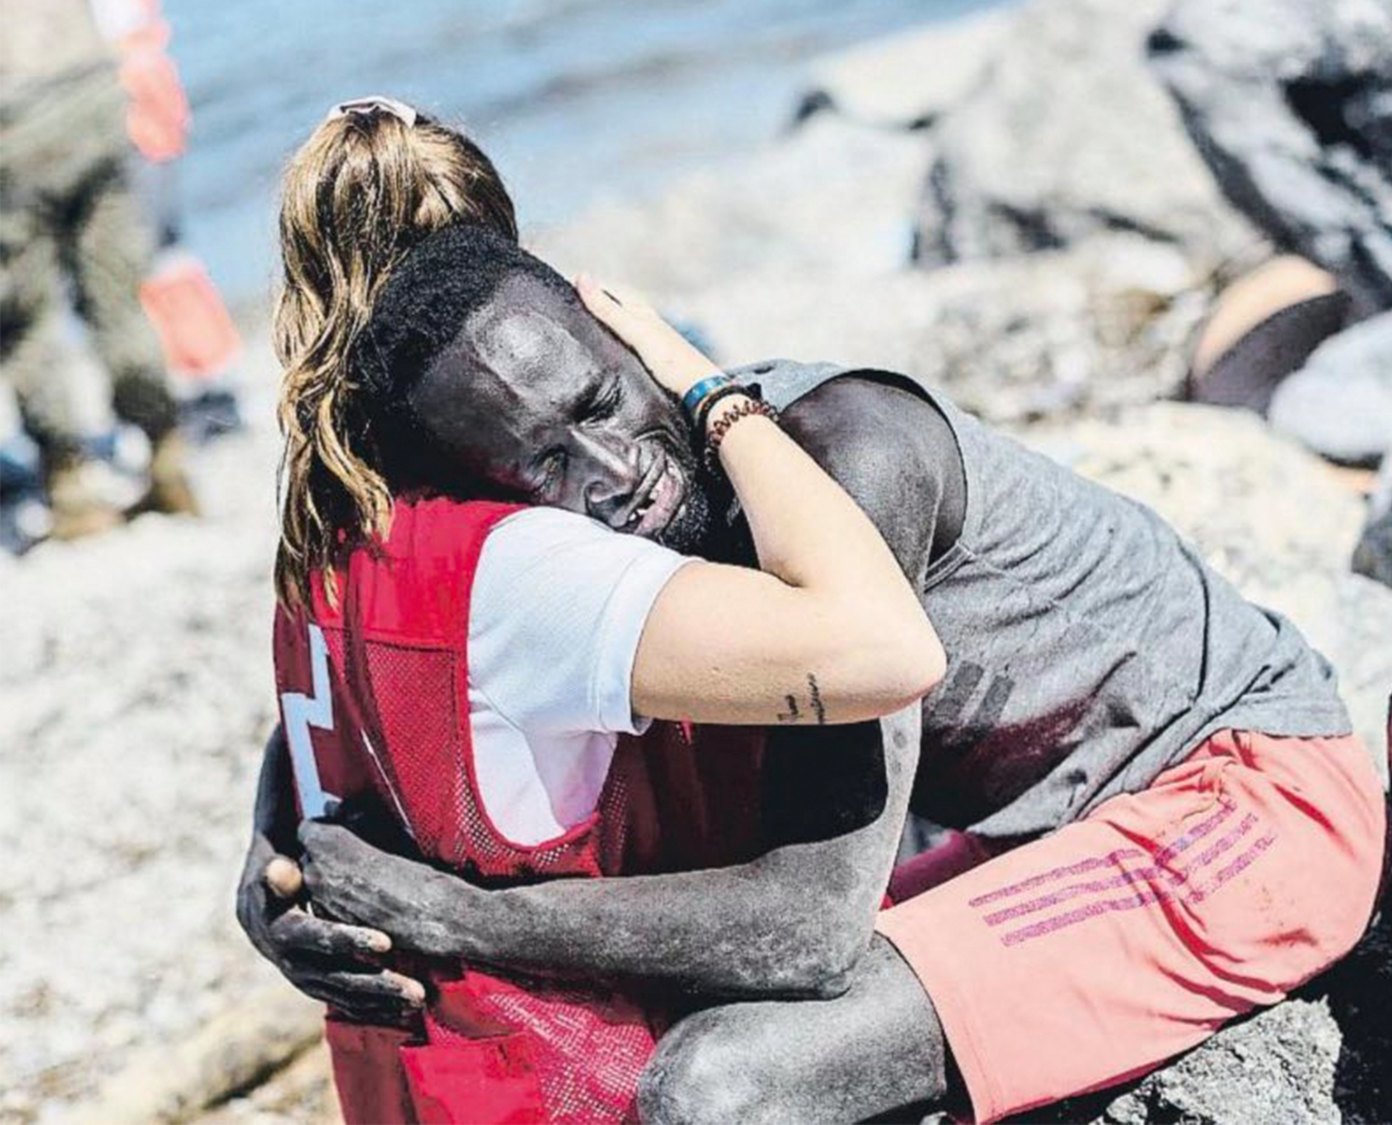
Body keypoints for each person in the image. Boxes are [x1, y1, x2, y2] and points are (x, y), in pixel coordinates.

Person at [240, 102, 1387, 1123]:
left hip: (1240, 800)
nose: (612, 472)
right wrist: (283, 852)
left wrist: (460, 921)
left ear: (631, 333)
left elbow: (808, 926)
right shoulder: (604, 537)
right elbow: (393, 657)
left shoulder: (846, 452)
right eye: (545, 466)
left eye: (603, 402)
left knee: (718, 1081)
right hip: (1047, 830)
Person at [258, 98, 942, 1123]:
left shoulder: (327, 538)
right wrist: (714, 396)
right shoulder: (523, 564)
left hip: (407, 1086)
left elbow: (325, 737)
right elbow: (882, 651)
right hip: (573, 1079)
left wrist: (271, 859)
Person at [0, 0, 198, 537]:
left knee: (26, 316)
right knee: (116, 293)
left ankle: (71, 483)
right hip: (91, 94)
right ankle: (165, 447)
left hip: (14, 121)